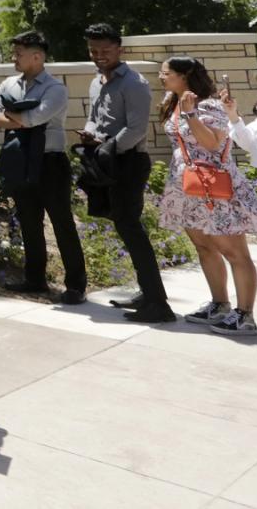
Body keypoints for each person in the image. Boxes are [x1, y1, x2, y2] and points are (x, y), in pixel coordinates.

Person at [156, 56, 257, 336]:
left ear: (184, 75)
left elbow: (213, 144)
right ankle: (220, 304)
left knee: (234, 252)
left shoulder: (209, 105)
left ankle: (245, 315)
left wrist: (191, 115)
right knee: (204, 246)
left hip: (215, 189)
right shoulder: (174, 101)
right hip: (189, 188)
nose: (160, 77)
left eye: (165, 73)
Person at [79, 24, 173, 322]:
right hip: (106, 161)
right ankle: (149, 293)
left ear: (120, 49)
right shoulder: (97, 82)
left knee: (131, 228)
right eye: (94, 50)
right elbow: (94, 119)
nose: (99, 56)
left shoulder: (134, 83)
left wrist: (107, 147)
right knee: (124, 227)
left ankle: (159, 306)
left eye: (105, 50)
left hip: (128, 162)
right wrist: (91, 134)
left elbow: (136, 130)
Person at [0, 32, 83, 303]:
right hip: (20, 161)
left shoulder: (55, 89)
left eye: (19, 53)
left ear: (37, 56)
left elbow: (35, 118)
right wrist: (17, 120)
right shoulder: (8, 84)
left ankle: (76, 285)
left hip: (50, 162)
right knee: (29, 222)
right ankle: (35, 279)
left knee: (62, 224)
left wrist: (14, 117)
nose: (13, 58)